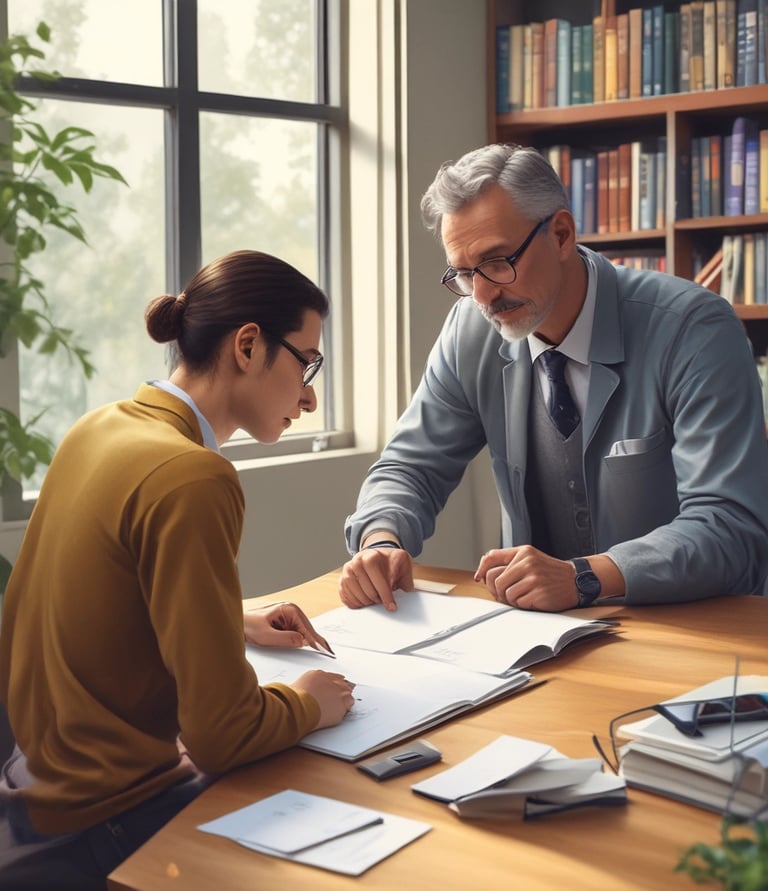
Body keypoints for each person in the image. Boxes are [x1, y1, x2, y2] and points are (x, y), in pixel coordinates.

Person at [0, 249, 355, 889]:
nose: (307, 396)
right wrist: (305, 703)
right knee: (351, 805)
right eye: (307, 362)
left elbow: (79, 602)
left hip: (32, 784)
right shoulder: (195, 475)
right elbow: (223, 734)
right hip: (109, 817)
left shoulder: (98, 427)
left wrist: (230, 621)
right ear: (248, 345)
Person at [340, 143, 768, 613]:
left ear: (562, 234)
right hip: (545, 637)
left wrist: (583, 577)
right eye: (464, 274)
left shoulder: (693, 330)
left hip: (699, 631)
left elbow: (730, 527)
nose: (482, 295)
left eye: (498, 261)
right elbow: (410, 467)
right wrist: (380, 540)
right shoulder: (470, 330)